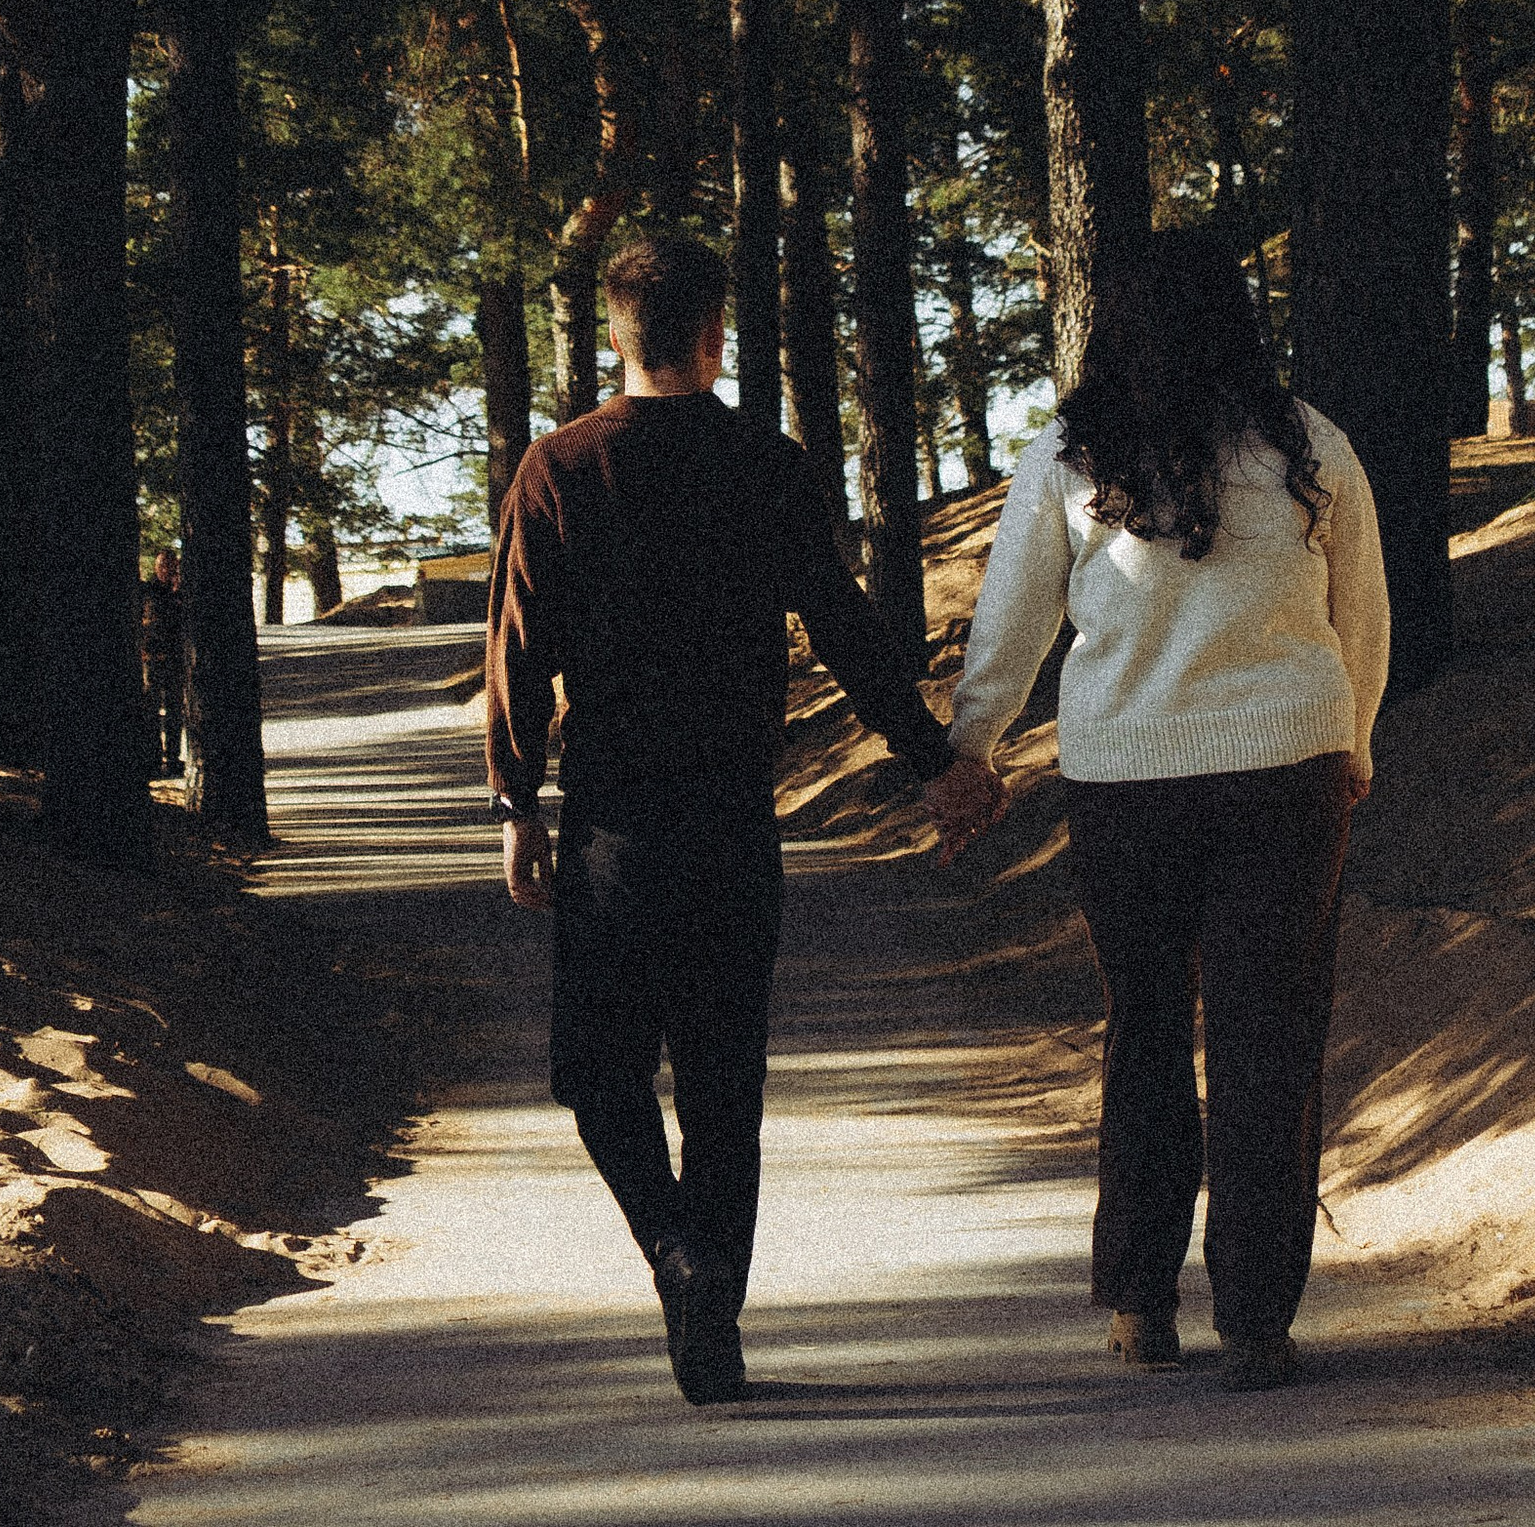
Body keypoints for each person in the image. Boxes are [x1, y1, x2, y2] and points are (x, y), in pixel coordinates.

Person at [486, 235, 958, 1406]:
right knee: (722, 1085)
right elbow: (846, 629)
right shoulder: (770, 462)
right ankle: (714, 1317)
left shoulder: (559, 468)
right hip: (736, 822)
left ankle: (678, 1260)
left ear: (614, 334)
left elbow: (517, 648)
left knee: (595, 1074)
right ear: (714, 336)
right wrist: (928, 756)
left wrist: (515, 803)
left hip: (610, 823)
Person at [926, 228, 1389, 1394]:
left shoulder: (1072, 461)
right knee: (1266, 1043)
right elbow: (1362, 614)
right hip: (1288, 772)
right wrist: (1358, 742)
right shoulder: (1306, 446)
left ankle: (1139, 1303)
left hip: (1126, 784)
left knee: (1144, 1032)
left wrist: (967, 750)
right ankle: (1256, 1320)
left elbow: (1013, 623)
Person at [140, 547, 186, 779]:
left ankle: (173, 757)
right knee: (150, 711)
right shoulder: (147, 592)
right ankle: (153, 757)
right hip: (151, 660)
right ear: (156, 568)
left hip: (175, 660)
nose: (167, 570)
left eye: (171, 566)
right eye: (163, 566)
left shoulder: (182, 593)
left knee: (174, 711)